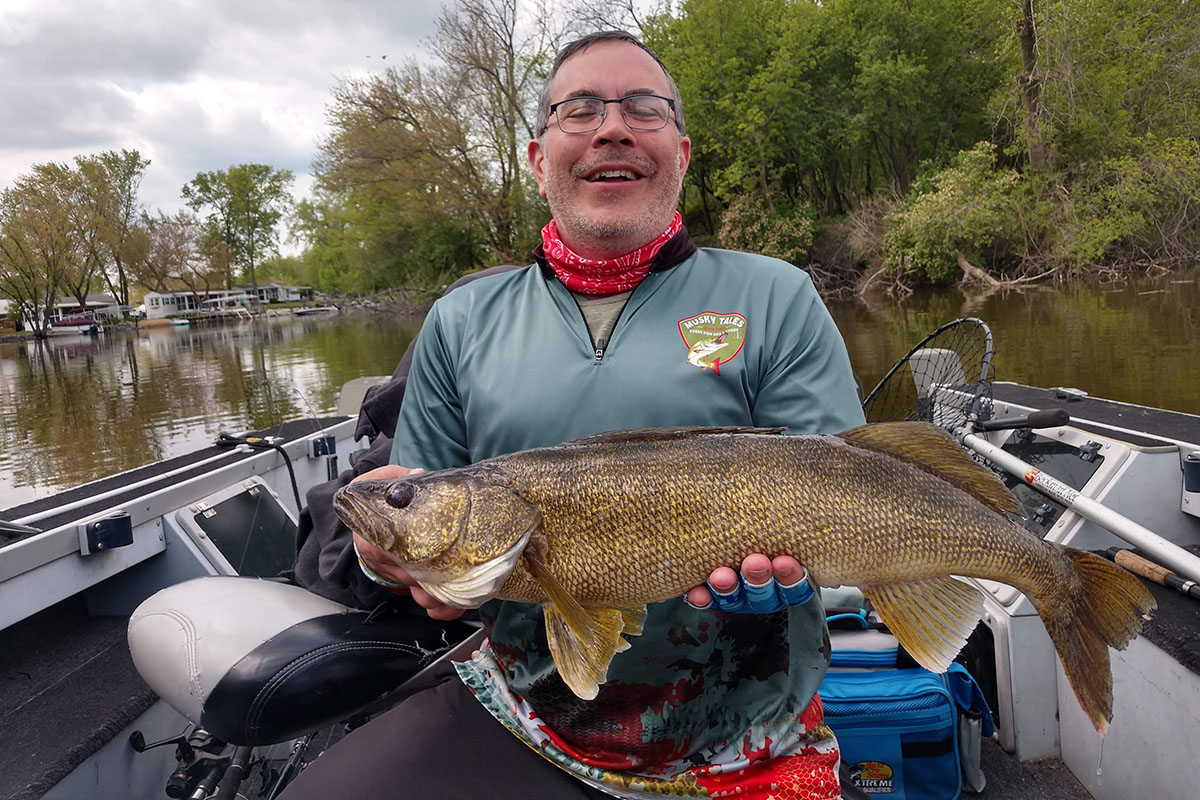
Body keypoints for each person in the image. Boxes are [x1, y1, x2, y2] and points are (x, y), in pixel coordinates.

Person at [285, 30, 866, 800]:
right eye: (580, 109)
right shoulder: (460, 319)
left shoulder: (778, 296)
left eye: (644, 109)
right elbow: (420, 509)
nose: (612, 127)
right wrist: (383, 558)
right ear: (537, 158)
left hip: (748, 737)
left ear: (682, 154)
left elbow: (851, 501)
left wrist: (804, 580)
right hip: (517, 712)